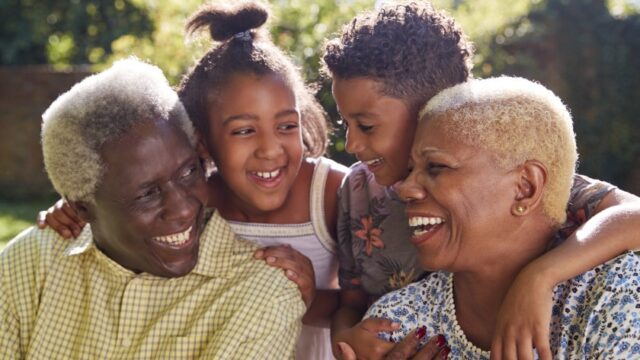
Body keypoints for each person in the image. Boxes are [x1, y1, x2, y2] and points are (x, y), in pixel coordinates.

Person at [321, 2, 640, 358]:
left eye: (366, 126)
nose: (350, 145)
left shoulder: (528, 181)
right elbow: (347, 300)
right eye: (345, 124)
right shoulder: (360, 191)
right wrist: (348, 342)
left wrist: (540, 276)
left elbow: (634, 216)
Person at [36, 3, 347, 359]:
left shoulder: (331, 194)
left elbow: (376, 299)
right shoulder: (196, 201)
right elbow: (119, 207)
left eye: (286, 126)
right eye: (244, 131)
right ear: (201, 140)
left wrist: (311, 297)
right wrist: (76, 207)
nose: (270, 149)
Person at [1, 58, 305, 359]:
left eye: (188, 172)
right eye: (147, 194)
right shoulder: (28, 265)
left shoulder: (263, 295)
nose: (183, 209)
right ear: (82, 208)